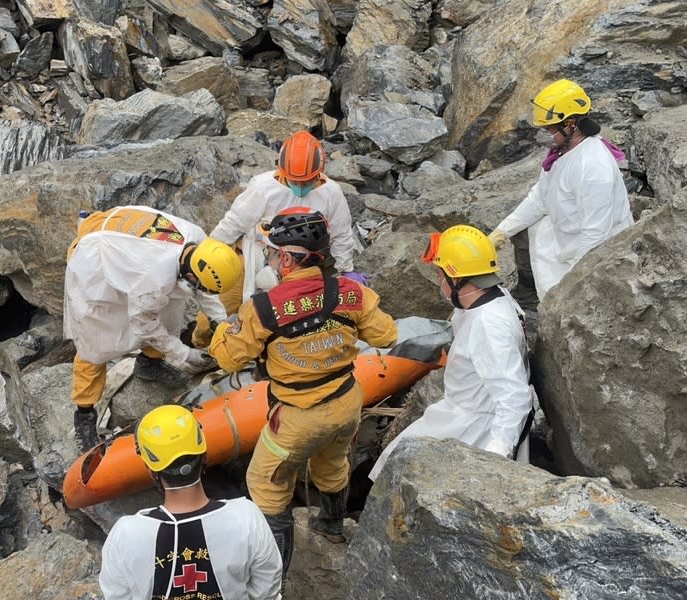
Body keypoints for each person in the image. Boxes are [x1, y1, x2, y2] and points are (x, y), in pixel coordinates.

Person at [209, 208, 398, 587]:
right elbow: (386, 335)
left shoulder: (264, 308)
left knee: (265, 483)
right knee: (332, 463)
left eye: (273, 251)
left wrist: (223, 329)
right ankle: (331, 524)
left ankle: (272, 577)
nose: (270, 258)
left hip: (297, 416)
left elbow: (228, 357)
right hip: (346, 404)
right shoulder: (350, 292)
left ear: (288, 258)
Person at [64, 206, 242, 452]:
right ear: (191, 275)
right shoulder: (154, 278)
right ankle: (84, 414)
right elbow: (144, 324)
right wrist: (183, 354)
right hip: (96, 259)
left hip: (129, 244)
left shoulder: (199, 243)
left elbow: (204, 290)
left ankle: (149, 364)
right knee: (95, 343)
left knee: (170, 314)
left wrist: (222, 323)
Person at [369, 225, 535, 481]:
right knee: (392, 464)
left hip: (475, 428)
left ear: (456, 279)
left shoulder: (489, 325)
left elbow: (513, 397)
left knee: (401, 473)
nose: (439, 282)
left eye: (440, 274)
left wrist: (496, 456)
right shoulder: (491, 296)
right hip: (461, 412)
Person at [192, 130, 364, 347]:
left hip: (298, 264)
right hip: (255, 251)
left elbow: (341, 233)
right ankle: (203, 345)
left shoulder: (331, 193)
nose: (300, 187)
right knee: (220, 306)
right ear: (281, 171)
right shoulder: (264, 187)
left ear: (320, 173)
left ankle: (258, 351)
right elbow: (235, 221)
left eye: (307, 181)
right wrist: (212, 249)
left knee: (277, 315)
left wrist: (346, 268)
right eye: (295, 181)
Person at [99, 404, 282, 600]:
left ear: (150, 470)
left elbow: (117, 595)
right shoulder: (246, 517)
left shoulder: (125, 534)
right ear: (204, 457)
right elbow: (267, 591)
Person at [488, 79, 633, 302]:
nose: (543, 135)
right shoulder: (563, 152)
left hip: (590, 250)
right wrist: (501, 231)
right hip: (567, 234)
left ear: (571, 124)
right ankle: (529, 293)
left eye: (549, 129)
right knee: (526, 229)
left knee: (561, 299)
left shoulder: (594, 167)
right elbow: (540, 197)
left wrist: (570, 287)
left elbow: (595, 235)